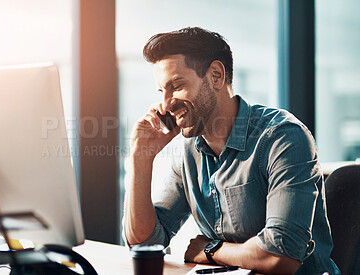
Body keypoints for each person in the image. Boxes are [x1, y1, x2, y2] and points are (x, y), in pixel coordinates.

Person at [123, 27, 340, 275]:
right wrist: (140, 158)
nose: (165, 103)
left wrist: (210, 250)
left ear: (216, 75)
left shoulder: (283, 138)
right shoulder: (187, 152)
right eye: (161, 91)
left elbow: (281, 257)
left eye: (177, 85)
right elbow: (145, 244)